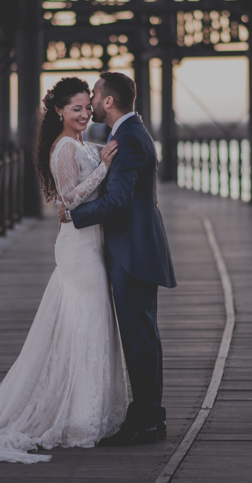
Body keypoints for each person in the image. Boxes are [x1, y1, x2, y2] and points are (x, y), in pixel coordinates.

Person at [0, 77, 127, 463]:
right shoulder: (63, 147)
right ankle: (79, 419)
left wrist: (111, 151)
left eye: (87, 107)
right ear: (59, 111)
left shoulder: (82, 145)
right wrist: (103, 170)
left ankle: (88, 412)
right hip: (79, 249)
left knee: (89, 323)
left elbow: (99, 162)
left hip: (91, 243)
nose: (84, 114)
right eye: (76, 108)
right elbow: (69, 198)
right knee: (87, 321)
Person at [59, 71, 177, 446]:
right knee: (142, 336)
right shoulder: (126, 134)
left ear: (109, 101)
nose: (91, 101)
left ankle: (146, 421)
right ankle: (147, 415)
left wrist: (73, 216)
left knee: (139, 338)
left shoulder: (127, 138)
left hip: (133, 250)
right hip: (135, 246)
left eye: (94, 95)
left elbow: (118, 201)